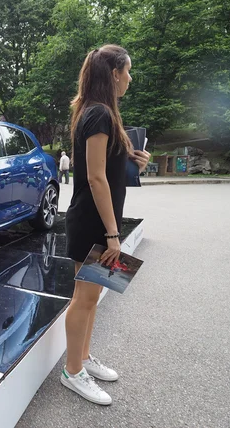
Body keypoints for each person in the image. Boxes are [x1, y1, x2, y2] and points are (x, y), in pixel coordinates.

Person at [61, 45, 150, 405]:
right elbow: (95, 179)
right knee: (84, 298)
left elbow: (108, 172)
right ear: (114, 74)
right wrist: (113, 235)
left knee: (93, 294)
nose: (130, 77)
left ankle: (82, 358)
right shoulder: (98, 114)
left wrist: (133, 162)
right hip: (92, 222)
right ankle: (72, 371)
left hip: (97, 219)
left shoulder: (99, 113)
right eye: (127, 71)